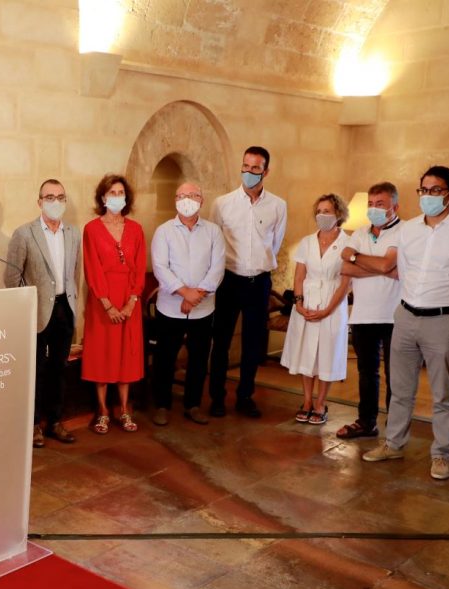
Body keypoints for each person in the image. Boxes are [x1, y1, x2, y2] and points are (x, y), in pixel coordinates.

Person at [363, 166, 449, 480]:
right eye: (424, 190)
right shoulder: (409, 229)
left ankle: (441, 454)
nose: (429, 196)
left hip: (444, 319)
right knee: (401, 389)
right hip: (406, 316)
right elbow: (404, 269)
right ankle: (393, 444)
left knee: (442, 394)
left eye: (436, 190)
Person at [209, 146, 287, 419]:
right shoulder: (222, 204)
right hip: (229, 280)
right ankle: (217, 397)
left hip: (259, 281)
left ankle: (245, 396)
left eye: (256, 168)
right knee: (221, 341)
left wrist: (258, 266)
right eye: (246, 166)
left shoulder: (278, 205)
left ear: (266, 171)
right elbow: (215, 242)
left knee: (254, 343)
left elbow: (274, 244)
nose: (249, 172)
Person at [5, 179, 81, 447]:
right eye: (49, 197)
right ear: (39, 202)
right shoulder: (24, 234)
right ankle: (34, 425)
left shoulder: (73, 233)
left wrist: (74, 304)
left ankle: (55, 421)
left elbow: (75, 274)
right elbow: (11, 277)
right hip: (36, 311)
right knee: (35, 369)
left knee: (59, 368)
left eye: (60, 197)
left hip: (64, 308)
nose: (55, 201)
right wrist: (25, 307)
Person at [149, 182, 225, 426]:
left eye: (192, 195)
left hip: (203, 309)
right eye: (181, 196)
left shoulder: (213, 232)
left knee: (199, 358)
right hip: (170, 307)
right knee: (165, 358)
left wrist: (196, 296)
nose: (186, 199)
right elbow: (161, 267)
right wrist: (184, 293)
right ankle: (161, 404)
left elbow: (217, 268)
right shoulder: (164, 231)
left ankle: (192, 404)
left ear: (201, 201)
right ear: (175, 200)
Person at [336, 182, 403, 439]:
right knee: (367, 372)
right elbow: (345, 267)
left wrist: (357, 258)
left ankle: (395, 428)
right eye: (371, 204)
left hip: (394, 315)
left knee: (395, 375)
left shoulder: (404, 231)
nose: (374, 209)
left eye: (381, 204)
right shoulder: (360, 233)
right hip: (364, 314)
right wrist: (381, 268)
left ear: (394, 207)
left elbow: (389, 263)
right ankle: (366, 422)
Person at [279, 194, 352, 424]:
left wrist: (329, 308)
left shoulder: (348, 243)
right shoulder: (307, 241)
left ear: (338, 214)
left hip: (332, 303)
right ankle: (307, 400)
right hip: (307, 302)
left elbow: (346, 282)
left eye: (327, 211)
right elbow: (299, 275)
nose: (322, 215)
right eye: (319, 211)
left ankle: (321, 403)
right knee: (306, 352)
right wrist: (298, 303)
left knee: (326, 354)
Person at [82, 173, 145, 434]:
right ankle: (103, 411)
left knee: (126, 355)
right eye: (111, 193)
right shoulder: (91, 229)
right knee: (102, 353)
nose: (116, 197)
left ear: (126, 197)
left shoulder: (137, 229)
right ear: (102, 197)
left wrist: (131, 302)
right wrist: (107, 304)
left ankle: (124, 409)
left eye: (120, 193)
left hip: (129, 299)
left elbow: (140, 268)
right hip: (102, 301)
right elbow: (91, 268)